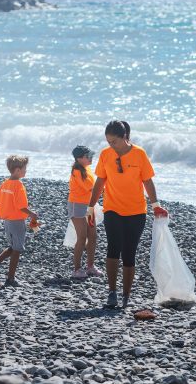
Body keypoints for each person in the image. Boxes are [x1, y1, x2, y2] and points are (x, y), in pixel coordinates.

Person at [87, 120, 168, 310]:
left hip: (136, 211)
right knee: (113, 248)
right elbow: (100, 181)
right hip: (112, 208)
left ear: (124, 137)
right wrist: (91, 206)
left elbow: (147, 181)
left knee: (129, 253)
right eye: (108, 141)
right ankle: (112, 292)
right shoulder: (106, 155)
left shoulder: (139, 154)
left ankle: (126, 295)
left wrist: (156, 205)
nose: (111, 145)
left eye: (114, 141)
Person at [0, 155, 38, 288]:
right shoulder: (18, 185)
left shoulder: (5, 183)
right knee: (17, 249)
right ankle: (10, 278)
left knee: (13, 246)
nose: (26, 171)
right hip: (16, 220)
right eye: (24, 168)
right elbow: (21, 206)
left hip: (7, 220)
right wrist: (32, 214)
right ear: (17, 170)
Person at [67, 145, 102, 279]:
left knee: (92, 236)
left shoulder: (86, 169)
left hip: (89, 206)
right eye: (87, 156)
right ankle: (76, 269)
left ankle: (90, 266)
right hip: (77, 206)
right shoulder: (77, 171)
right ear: (79, 158)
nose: (90, 158)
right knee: (82, 237)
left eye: (90, 155)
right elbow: (90, 188)